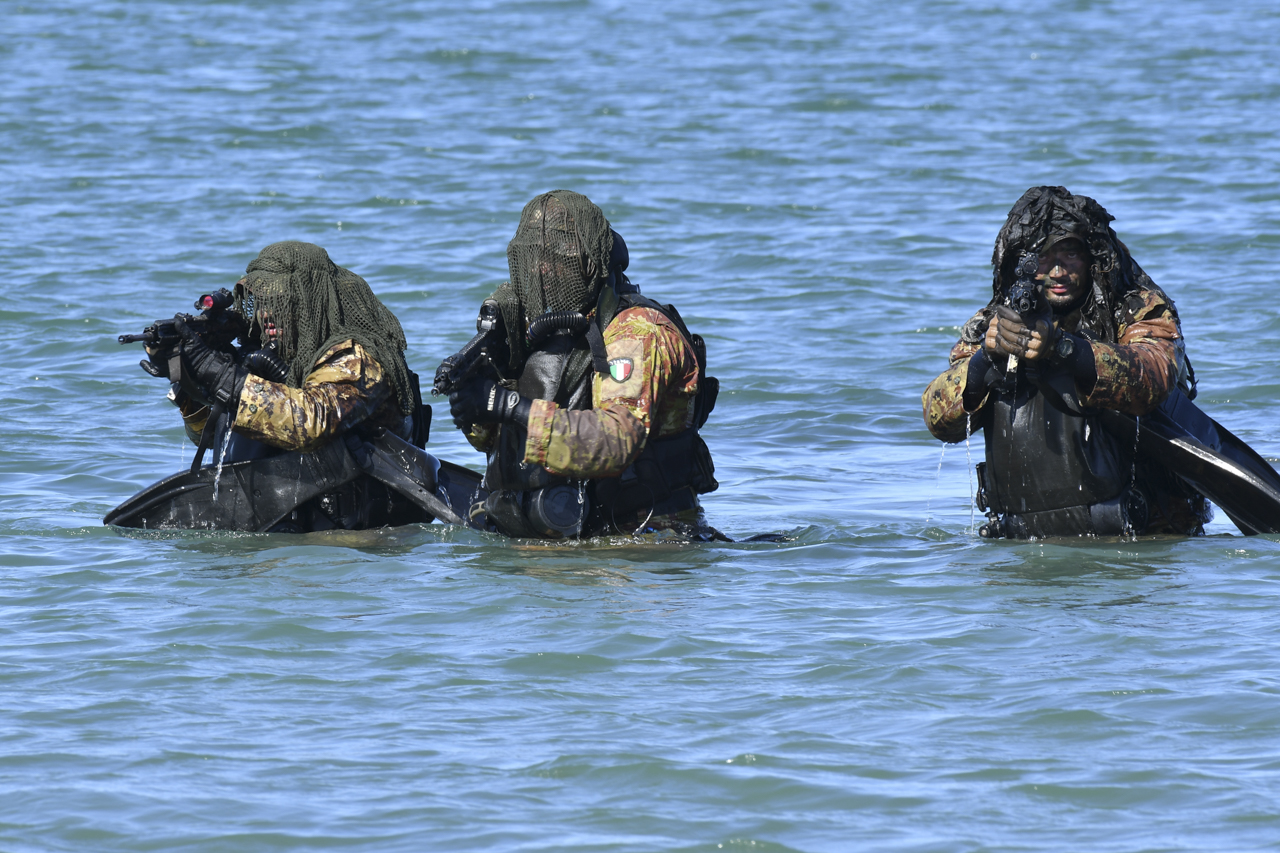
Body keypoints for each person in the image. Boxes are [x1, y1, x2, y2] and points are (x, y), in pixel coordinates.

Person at [921, 186, 1210, 538]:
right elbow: (939, 421)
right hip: (1026, 544)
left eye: (1070, 254)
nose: (1057, 271)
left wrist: (1064, 349)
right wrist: (985, 360)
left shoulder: (1133, 309)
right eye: (1042, 257)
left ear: (1094, 258)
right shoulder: (995, 324)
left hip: (1144, 533)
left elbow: (1153, 378)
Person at [444, 190, 720, 539]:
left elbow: (616, 440)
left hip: (647, 542)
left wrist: (508, 405)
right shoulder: (555, 332)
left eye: (554, 258)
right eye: (534, 258)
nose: (541, 270)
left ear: (589, 263)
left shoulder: (638, 331)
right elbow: (510, 446)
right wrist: (479, 407)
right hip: (572, 534)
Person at [145, 240, 426, 530]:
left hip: (356, 540)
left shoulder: (356, 357)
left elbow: (310, 422)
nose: (266, 313)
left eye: (280, 302)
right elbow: (215, 433)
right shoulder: (278, 354)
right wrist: (192, 381)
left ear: (308, 301)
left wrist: (221, 375)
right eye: (262, 303)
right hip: (287, 526)